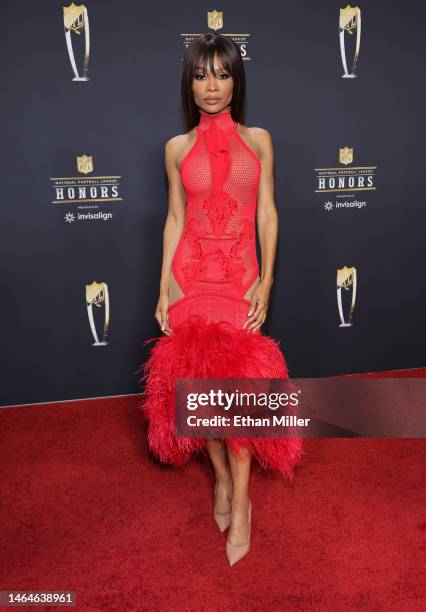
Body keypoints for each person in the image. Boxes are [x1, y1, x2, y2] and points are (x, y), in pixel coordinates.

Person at [137, 33, 303, 566]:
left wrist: (267, 280)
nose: (211, 85)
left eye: (222, 73)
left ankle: (244, 499)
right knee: (200, 394)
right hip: (190, 277)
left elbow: (268, 213)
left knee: (238, 398)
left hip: (239, 277)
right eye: (201, 74)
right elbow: (175, 219)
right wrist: (164, 285)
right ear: (189, 81)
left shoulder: (260, 140)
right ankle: (223, 487)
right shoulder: (176, 149)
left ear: (237, 78)